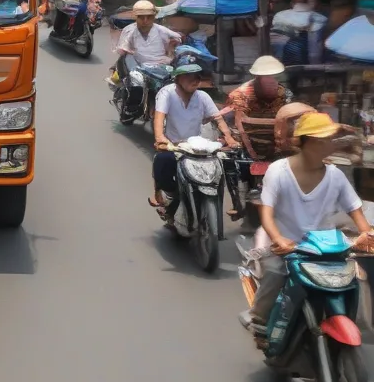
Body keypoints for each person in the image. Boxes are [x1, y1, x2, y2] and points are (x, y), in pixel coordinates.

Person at [242, 111, 374, 340]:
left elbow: (356, 212)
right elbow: (267, 213)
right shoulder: (278, 171)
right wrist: (279, 239)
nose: (330, 145)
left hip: (325, 249)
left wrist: (367, 234)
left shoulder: (335, 176)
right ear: (308, 142)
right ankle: (259, 318)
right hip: (288, 247)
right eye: (325, 140)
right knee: (275, 272)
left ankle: (358, 326)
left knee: (358, 277)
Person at [150, 62, 237, 209]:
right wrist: (160, 138)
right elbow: (160, 117)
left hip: (197, 147)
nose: (195, 80)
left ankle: (236, 203)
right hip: (175, 146)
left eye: (197, 76)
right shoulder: (167, 93)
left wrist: (228, 137)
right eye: (189, 76)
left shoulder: (202, 96)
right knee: (162, 162)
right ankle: (171, 195)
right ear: (178, 79)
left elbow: (217, 117)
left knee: (226, 165)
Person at [116, 0, 181, 69]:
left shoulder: (162, 30)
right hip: (137, 67)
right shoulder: (129, 30)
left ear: (154, 17)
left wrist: (171, 47)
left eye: (149, 17)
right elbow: (122, 51)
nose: (145, 21)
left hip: (161, 65)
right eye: (141, 17)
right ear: (135, 17)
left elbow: (179, 39)